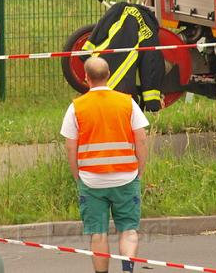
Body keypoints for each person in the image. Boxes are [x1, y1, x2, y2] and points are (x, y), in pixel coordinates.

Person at [61, 56, 149, 273]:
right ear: (108, 75)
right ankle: (127, 270)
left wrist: (77, 175)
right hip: (126, 177)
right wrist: (139, 170)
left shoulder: (77, 108)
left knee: (98, 233)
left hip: (91, 180)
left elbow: (70, 147)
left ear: (86, 78)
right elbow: (142, 139)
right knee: (128, 230)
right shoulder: (127, 102)